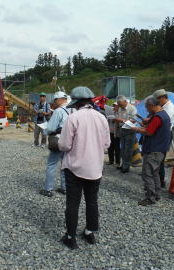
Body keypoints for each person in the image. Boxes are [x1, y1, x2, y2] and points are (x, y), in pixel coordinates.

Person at [58, 86, 111, 249]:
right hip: (95, 167)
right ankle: (89, 232)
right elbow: (107, 144)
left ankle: (70, 237)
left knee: (73, 203)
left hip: (74, 167)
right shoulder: (101, 117)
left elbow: (65, 145)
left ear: (76, 103)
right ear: (89, 101)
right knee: (92, 201)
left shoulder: (73, 118)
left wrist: (59, 140)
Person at [131, 96, 171, 206]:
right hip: (160, 149)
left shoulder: (158, 117)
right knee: (155, 173)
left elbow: (149, 132)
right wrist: (145, 124)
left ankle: (150, 197)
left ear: (152, 105)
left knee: (147, 174)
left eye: (147, 107)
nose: (146, 109)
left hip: (154, 149)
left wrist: (136, 129)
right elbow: (152, 128)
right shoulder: (163, 115)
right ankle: (156, 194)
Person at [39, 91, 71, 197]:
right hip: (70, 141)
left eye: (55, 100)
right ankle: (65, 187)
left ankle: (48, 189)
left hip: (58, 140)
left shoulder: (59, 111)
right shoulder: (74, 109)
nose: (55, 102)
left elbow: (51, 128)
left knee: (51, 165)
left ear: (60, 99)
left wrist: (44, 130)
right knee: (65, 165)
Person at [153, 89, 174, 188]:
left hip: (165, 134)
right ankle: (157, 179)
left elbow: (162, 121)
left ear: (163, 98)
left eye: (158, 100)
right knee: (157, 157)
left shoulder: (170, 108)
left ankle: (160, 181)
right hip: (161, 134)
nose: (157, 103)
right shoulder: (164, 107)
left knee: (160, 158)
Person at [115, 95, 137, 173]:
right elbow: (117, 117)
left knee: (128, 149)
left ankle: (126, 166)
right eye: (118, 104)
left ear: (125, 101)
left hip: (130, 130)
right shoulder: (119, 108)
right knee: (123, 148)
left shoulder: (132, 108)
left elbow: (134, 120)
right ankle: (123, 164)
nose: (120, 105)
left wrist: (121, 120)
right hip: (122, 129)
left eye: (120, 104)